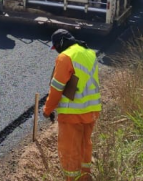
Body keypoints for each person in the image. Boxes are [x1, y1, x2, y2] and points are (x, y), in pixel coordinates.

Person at [43, 29, 102, 181]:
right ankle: (85, 177)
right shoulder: (89, 52)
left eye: (56, 48)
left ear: (60, 43)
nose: (57, 52)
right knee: (84, 147)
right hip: (92, 110)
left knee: (70, 150)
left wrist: (47, 109)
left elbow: (56, 88)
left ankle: (72, 179)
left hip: (72, 113)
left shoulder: (65, 57)